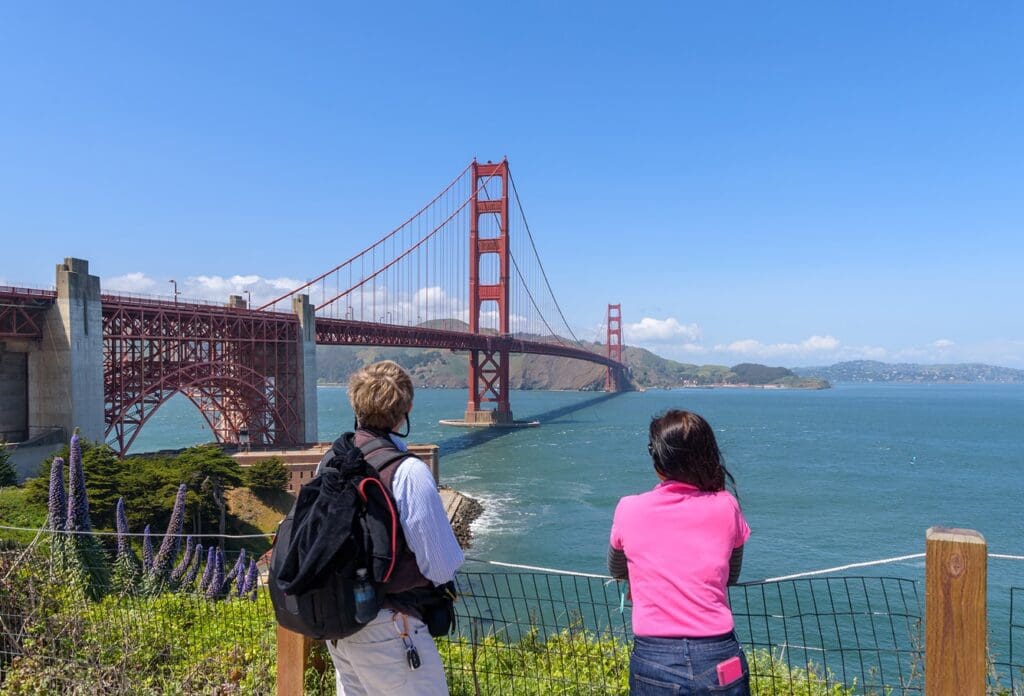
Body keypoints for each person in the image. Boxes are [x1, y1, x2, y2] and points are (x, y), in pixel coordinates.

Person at [322, 360, 464, 695]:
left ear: (355, 404)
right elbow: (442, 566)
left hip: (340, 624)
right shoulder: (408, 472)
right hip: (390, 628)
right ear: (407, 409)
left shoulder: (329, 460)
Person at [608, 409, 751, 695]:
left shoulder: (629, 508)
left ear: (658, 460)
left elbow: (616, 568)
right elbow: (730, 574)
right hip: (719, 656)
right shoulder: (726, 506)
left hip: (654, 657)